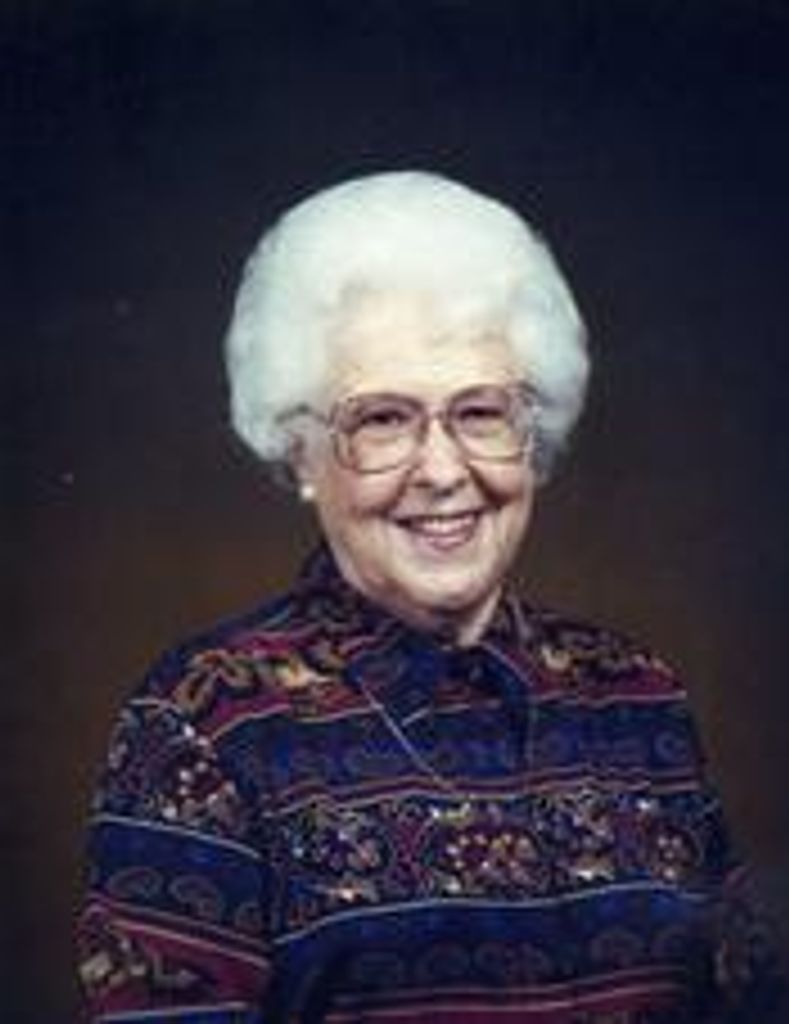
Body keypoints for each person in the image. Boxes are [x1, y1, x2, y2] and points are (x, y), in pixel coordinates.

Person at [76, 171, 785, 1023]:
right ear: (301, 454)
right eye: (382, 419)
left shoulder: (638, 697)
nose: (443, 471)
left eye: (480, 412)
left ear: (533, 437)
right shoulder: (203, 723)